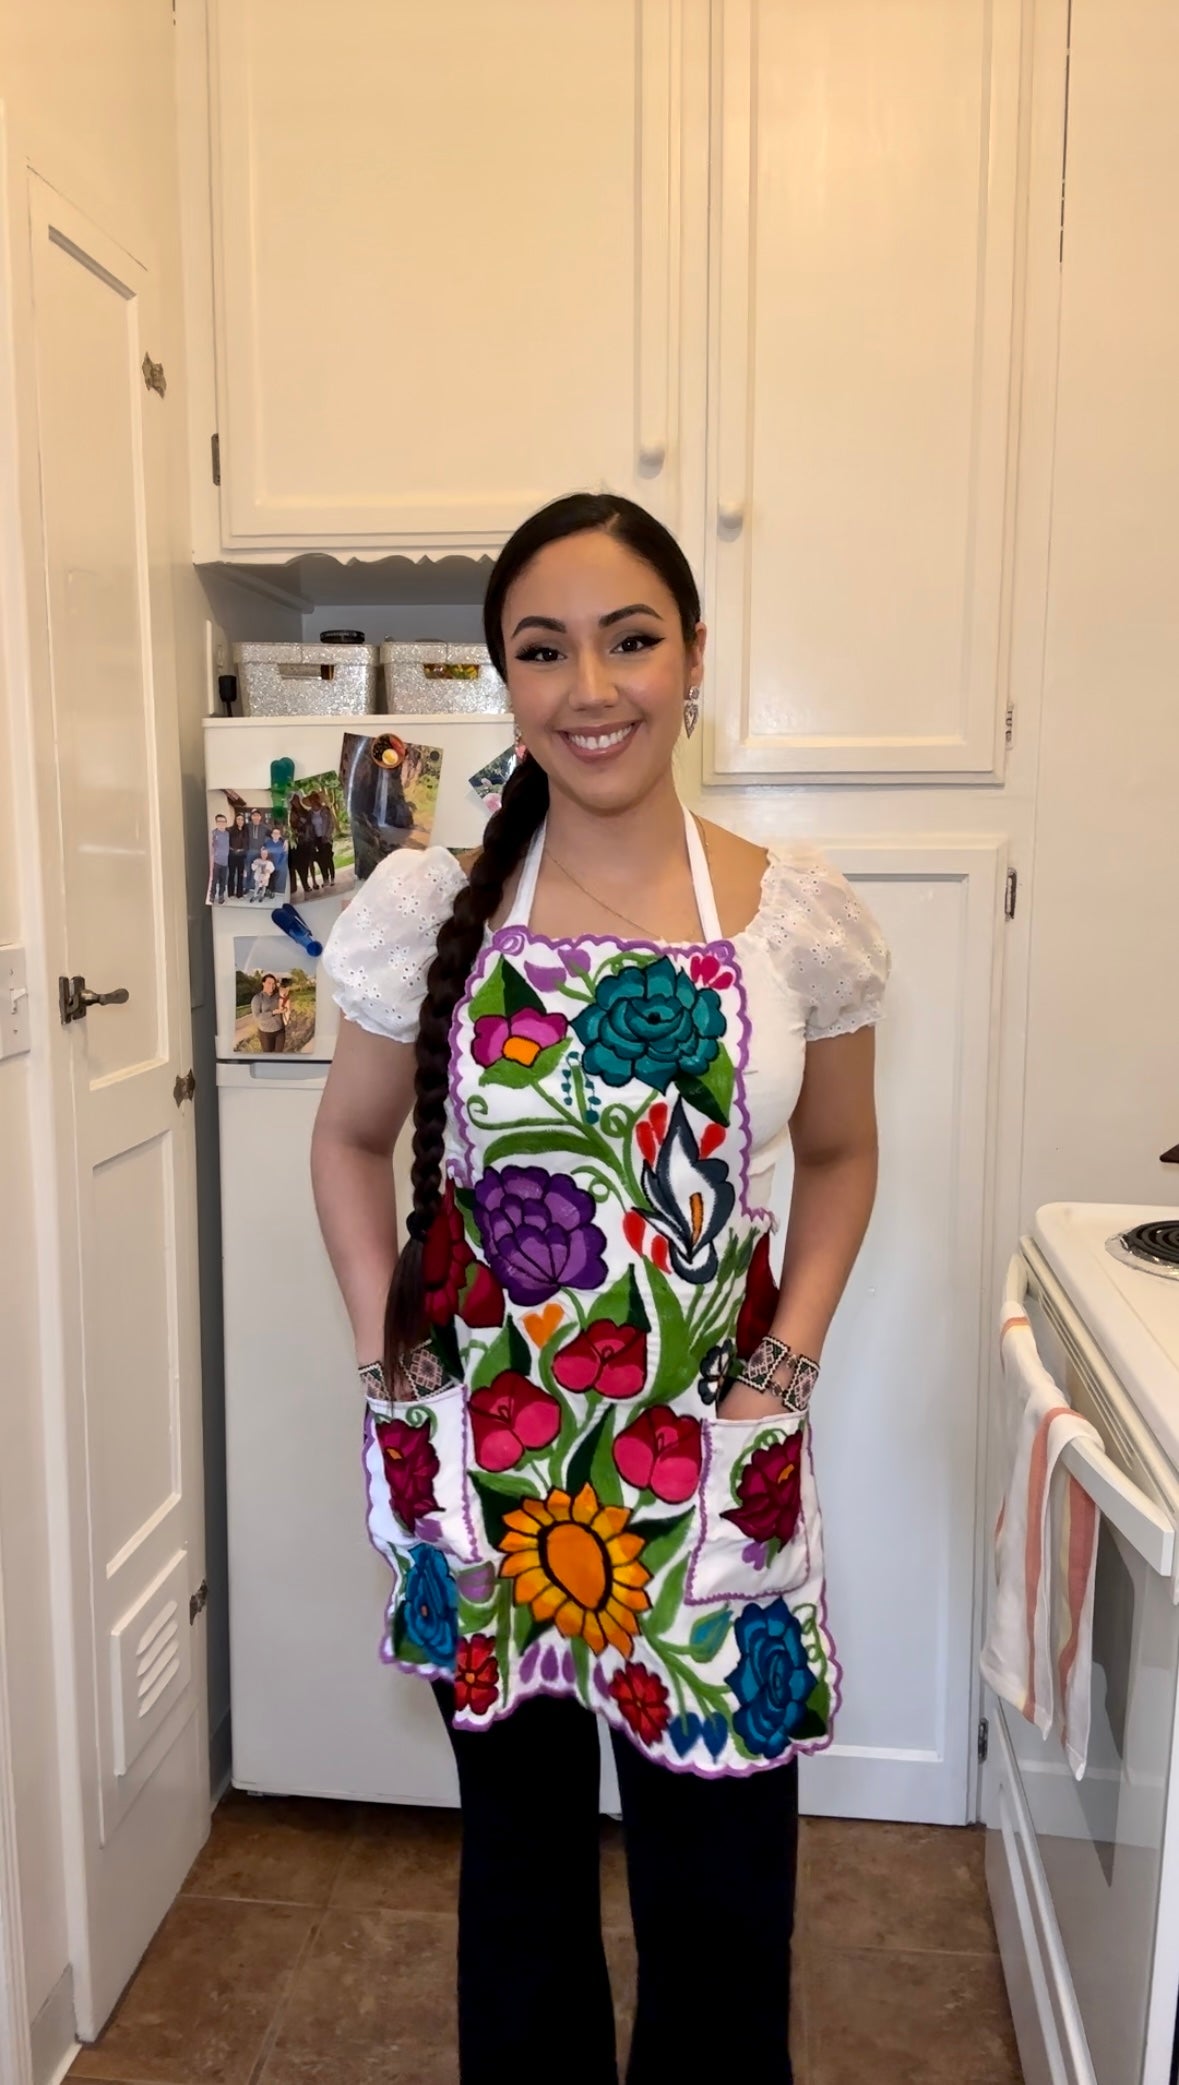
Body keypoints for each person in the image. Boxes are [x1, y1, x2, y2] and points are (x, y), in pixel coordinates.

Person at [311, 493, 889, 2085]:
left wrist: (782, 1368)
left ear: (692, 657)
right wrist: (393, 1368)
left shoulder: (789, 922)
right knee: (517, 1887)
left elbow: (837, 1160)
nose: (590, 685)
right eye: (542, 649)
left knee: (717, 1901)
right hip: (494, 1484)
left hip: (704, 1476)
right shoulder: (431, 910)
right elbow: (351, 1147)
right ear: (505, 681)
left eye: (629, 639)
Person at [250, 972, 286, 1052]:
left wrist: (285, 1008)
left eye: (274, 983)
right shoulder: (257, 998)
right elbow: (257, 1017)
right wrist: (273, 1012)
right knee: (268, 1056)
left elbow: (285, 1003)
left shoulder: (278, 996)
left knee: (279, 1056)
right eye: (269, 983)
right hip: (266, 1033)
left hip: (280, 1031)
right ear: (263, 983)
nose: (272, 986)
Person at [308, 789, 338, 887]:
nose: (312, 802)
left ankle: (332, 878)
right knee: (321, 860)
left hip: (326, 837)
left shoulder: (325, 810)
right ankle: (325, 879)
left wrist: (327, 835)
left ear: (317, 800)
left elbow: (331, 824)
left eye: (314, 799)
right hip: (317, 839)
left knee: (328, 858)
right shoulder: (310, 813)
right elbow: (310, 826)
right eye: (311, 800)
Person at [208, 814, 230, 902]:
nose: (222, 823)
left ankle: (221, 896)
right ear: (216, 823)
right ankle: (212, 896)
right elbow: (211, 847)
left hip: (225, 862)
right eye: (219, 821)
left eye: (223, 821)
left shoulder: (227, 833)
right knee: (214, 880)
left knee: (223, 881)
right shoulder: (213, 833)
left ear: (226, 823)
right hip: (216, 861)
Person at [227, 811, 249, 898]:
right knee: (231, 875)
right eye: (238, 819)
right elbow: (227, 844)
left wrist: (242, 851)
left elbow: (247, 844)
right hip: (232, 856)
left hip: (241, 857)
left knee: (240, 875)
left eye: (242, 819)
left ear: (244, 821)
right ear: (235, 820)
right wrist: (234, 850)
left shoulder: (245, 831)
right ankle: (230, 893)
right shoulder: (230, 830)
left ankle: (239, 894)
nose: (240, 821)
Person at [265, 822, 289, 897]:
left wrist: (279, 864)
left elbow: (284, 855)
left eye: (277, 833)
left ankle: (272, 891)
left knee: (274, 879)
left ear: (279, 835)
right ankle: (267, 890)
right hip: (268, 864)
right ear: (271, 835)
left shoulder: (282, 844)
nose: (275, 835)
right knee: (268, 877)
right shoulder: (267, 843)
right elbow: (264, 852)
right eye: (274, 833)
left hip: (277, 865)